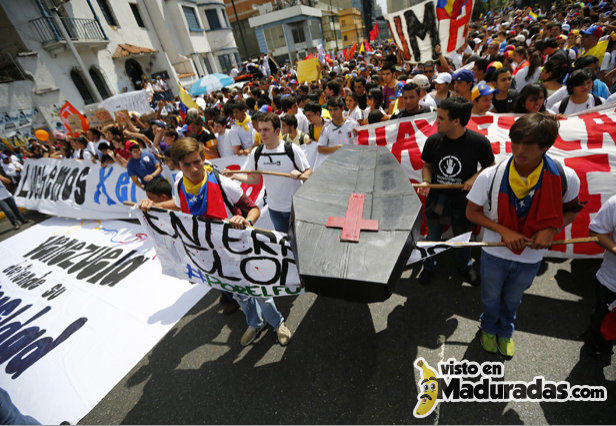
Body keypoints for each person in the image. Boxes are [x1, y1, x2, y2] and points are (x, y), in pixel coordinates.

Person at [466, 113, 582, 357]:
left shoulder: (566, 177)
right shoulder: (491, 174)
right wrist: (504, 231)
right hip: (494, 252)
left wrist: (551, 228)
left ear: (546, 146)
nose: (519, 149)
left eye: (528, 144)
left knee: (513, 299)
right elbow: (472, 212)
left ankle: (506, 329)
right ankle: (488, 327)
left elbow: (571, 211)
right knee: (490, 296)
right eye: (515, 141)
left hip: (530, 257)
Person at [138, 137, 259, 316]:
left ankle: (259, 316)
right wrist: (154, 205)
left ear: (203, 159)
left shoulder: (221, 182)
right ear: (178, 166)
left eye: (197, 162)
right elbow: (179, 205)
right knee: (218, 279)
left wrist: (246, 222)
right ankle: (232, 301)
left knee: (247, 287)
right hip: (203, 248)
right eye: (187, 165)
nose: (194, 169)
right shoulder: (180, 184)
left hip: (231, 245)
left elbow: (253, 209)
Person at [222, 114, 304, 346]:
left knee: (301, 244)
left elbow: (309, 173)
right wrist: (233, 174)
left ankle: (307, 278)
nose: (263, 133)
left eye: (267, 129)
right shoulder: (257, 153)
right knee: (286, 246)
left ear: (277, 130)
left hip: (297, 208)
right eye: (260, 130)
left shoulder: (291, 150)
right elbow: (252, 178)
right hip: (276, 210)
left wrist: (300, 174)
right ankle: (295, 279)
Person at [417, 96, 495, 286]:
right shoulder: (433, 141)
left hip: (463, 201)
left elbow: (490, 166)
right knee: (434, 234)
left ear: (456, 121)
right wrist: (426, 181)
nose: (437, 121)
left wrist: (473, 179)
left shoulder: (479, 142)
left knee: (462, 236)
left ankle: (465, 266)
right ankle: (429, 266)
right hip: (438, 200)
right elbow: (427, 165)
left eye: (441, 118)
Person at [587, 194, 616, 355]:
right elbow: (596, 231)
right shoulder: (614, 203)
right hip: (611, 283)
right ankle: (597, 344)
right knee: (601, 325)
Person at [315, 97, 358, 168]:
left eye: (335, 109)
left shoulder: (353, 124)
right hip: (333, 165)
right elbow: (320, 148)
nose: (332, 113)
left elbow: (361, 144)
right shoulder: (326, 127)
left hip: (350, 163)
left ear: (342, 109)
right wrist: (336, 148)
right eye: (330, 110)